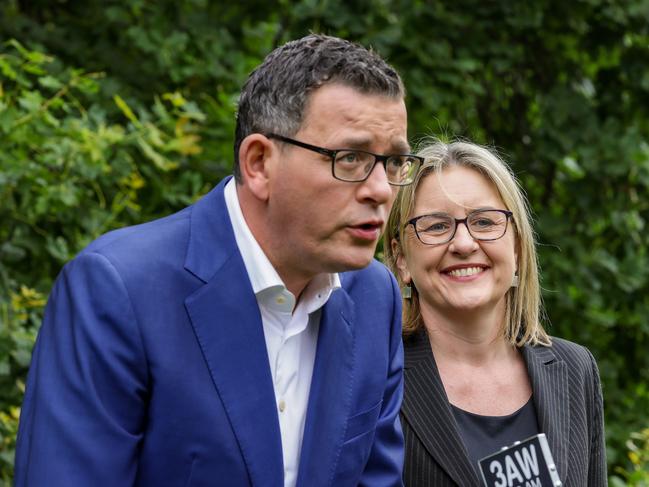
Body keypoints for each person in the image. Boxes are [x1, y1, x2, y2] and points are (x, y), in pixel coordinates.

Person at [15, 34, 424, 487]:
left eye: (393, 163)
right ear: (259, 163)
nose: (382, 190)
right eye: (350, 158)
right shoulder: (119, 289)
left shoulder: (374, 295)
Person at [385, 140, 607, 486]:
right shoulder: (378, 378)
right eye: (436, 226)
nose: (463, 244)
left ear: (517, 245)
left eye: (485, 222)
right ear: (402, 259)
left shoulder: (575, 370)